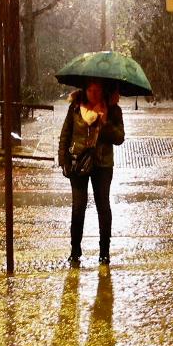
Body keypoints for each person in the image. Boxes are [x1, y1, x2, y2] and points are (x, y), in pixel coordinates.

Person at [58, 78, 125, 266]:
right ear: (85, 91)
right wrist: (63, 159)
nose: (94, 94)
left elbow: (119, 138)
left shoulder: (113, 110)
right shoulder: (75, 108)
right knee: (78, 208)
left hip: (102, 165)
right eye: (90, 90)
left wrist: (105, 123)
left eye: (97, 90)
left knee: (103, 207)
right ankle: (75, 250)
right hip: (77, 163)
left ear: (103, 91)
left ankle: (104, 252)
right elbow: (65, 134)